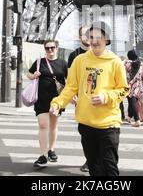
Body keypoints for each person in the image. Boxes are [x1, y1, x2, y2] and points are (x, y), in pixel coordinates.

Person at [50, 21, 129, 176]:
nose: (94, 41)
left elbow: (124, 89)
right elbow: (71, 87)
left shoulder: (115, 62)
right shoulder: (80, 60)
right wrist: (58, 103)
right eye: (91, 37)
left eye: (98, 37)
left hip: (108, 125)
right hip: (86, 123)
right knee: (94, 168)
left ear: (106, 39)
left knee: (109, 168)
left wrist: (106, 97)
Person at [26, 40, 68, 168]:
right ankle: (43, 155)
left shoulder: (62, 63)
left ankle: (51, 149)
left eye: (52, 48)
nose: (50, 50)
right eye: (47, 48)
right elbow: (28, 73)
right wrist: (33, 76)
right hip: (41, 99)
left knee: (53, 125)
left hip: (57, 99)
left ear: (57, 48)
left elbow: (70, 80)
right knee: (43, 125)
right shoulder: (40, 62)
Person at [68, 26, 91, 172]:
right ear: (79, 37)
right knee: (85, 132)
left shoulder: (99, 52)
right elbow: (70, 78)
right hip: (81, 100)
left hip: (98, 99)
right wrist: (72, 94)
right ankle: (90, 158)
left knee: (99, 133)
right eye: (84, 34)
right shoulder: (74, 55)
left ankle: (94, 159)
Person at [123, 50, 143, 127]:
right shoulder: (141, 63)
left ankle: (137, 120)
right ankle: (129, 117)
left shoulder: (127, 63)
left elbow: (122, 73)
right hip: (138, 85)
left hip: (129, 84)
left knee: (132, 101)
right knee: (132, 101)